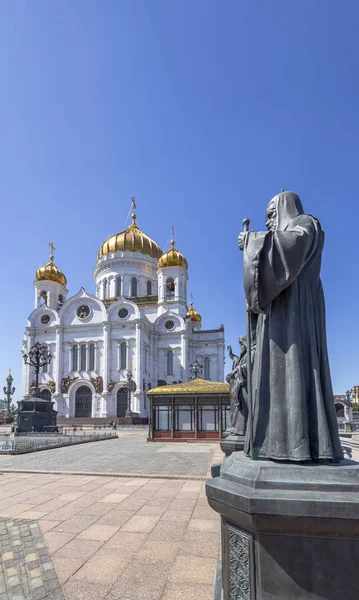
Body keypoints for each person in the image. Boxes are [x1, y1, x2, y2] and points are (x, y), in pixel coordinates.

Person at [238, 190, 343, 462]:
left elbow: (291, 247)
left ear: (286, 207)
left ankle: (298, 446)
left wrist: (252, 241)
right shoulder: (294, 228)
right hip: (280, 313)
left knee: (295, 370)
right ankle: (276, 444)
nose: (270, 222)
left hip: (294, 315)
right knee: (275, 378)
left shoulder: (306, 224)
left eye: (272, 215)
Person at [226, 336, 250, 436]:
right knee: (235, 409)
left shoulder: (250, 354)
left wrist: (235, 371)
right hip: (237, 388)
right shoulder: (242, 357)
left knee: (241, 409)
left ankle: (241, 430)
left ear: (245, 343)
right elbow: (237, 361)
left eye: (241, 343)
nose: (240, 346)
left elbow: (248, 365)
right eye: (239, 344)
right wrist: (231, 355)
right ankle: (236, 427)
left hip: (243, 387)